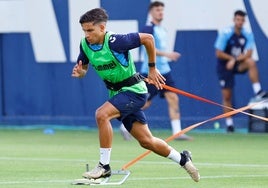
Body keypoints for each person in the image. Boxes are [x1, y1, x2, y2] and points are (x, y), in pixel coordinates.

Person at [71, 8, 200, 182]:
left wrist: (152, 68)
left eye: (90, 30)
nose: (86, 34)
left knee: (101, 115)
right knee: (147, 141)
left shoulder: (116, 42)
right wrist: (81, 72)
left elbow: (148, 38)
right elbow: (84, 67)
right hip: (118, 93)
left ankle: (104, 166)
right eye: (84, 31)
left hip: (134, 92)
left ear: (102, 28)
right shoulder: (85, 45)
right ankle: (184, 160)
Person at [120, 1, 192, 141]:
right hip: (150, 72)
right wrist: (167, 54)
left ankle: (177, 133)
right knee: (144, 102)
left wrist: (166, 57)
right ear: (151, 12)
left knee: (173, 98)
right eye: (157, 10)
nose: (160, 12)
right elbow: (148, 47)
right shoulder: (148, 28)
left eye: (162, 10)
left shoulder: (162, 29)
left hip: (164, 71)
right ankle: (125, 125)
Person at [214, 10, 267, 133]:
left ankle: (258, 91)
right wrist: (230, 59)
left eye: (242, 20)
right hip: (224, 66)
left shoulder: (247, 34)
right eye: (238, 19)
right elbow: (218, 53)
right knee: (227, 96)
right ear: (234, 20)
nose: (240, 22)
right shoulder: (226, 33)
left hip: (237, 63)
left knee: (251, 62)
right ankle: (229, 125)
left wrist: (235, 59)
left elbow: (248, 53)